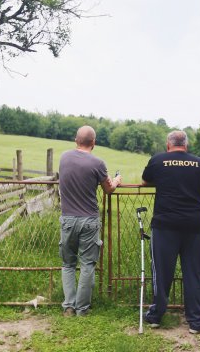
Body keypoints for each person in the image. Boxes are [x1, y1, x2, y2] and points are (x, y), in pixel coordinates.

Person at [142, 130, 200, 334]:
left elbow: (145, 181)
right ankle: (196, 321)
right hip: (193, 225)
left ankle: (155, 316)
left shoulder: (158, 161)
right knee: (194, 274)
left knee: (161, 272)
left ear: (168, 145)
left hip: (164, 224)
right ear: (186, 145)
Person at [58, 125, 122, 317]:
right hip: (89, 220)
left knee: (68, 264)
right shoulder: (98, 163)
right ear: (93, 143)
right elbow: (108, 189)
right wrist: (117, 180)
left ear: (76, 140)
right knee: (87, 265)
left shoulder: (64, 157)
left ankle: (69, 306)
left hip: (68, 219)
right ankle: (82, 309)